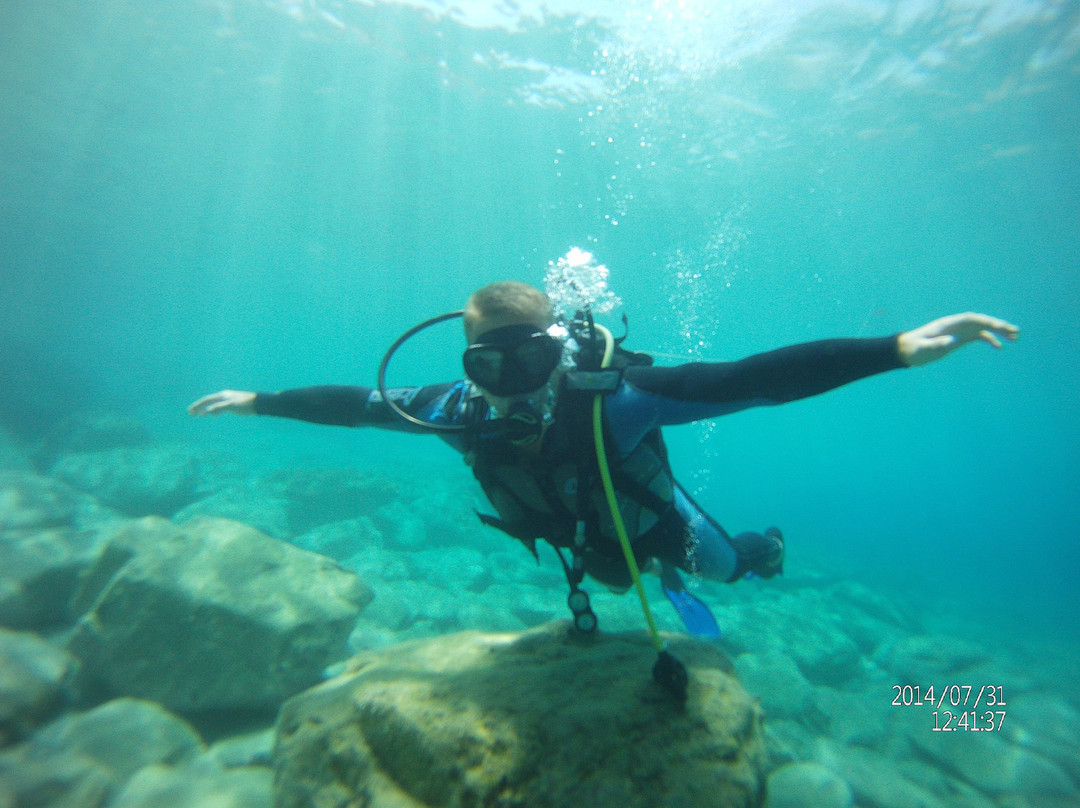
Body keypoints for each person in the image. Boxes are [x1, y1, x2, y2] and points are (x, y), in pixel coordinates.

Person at [189, 282, 1018, 636]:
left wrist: (894, 349)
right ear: (467, 365)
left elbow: (751, 379)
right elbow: (356, 406)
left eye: (531, 362)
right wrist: (261, 400)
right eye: (490, 367)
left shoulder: (618, 400)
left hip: (652, 519)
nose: (513, 386)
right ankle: (663, 575)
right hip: (583, 536)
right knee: (617, 581)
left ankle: (761, 549)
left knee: (726, 567)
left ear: (557, 353)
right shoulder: (453, 408)